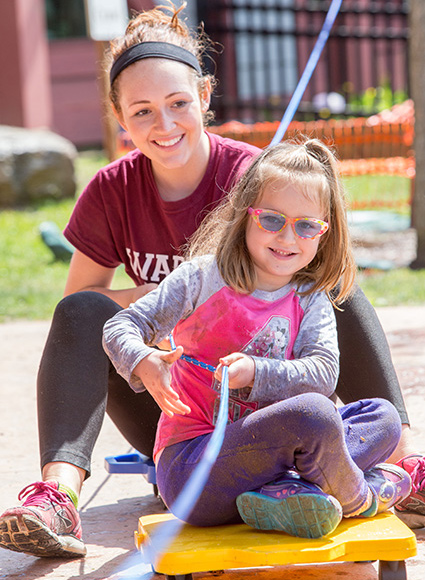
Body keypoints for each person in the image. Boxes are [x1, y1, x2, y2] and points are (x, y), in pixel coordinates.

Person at [0, 0, 423, 559]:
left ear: (204, 97)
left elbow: (315, 277)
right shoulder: (111, 189)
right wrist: (159, 301)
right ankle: (57, 495)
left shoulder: (255, 178)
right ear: (119, 116)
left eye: (177, 103)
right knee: (80, 312)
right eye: (143, 110)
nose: (165, 124)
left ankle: (405, 462)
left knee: (332, 284)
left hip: (270, 400)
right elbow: (80, 303)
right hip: (180, 406)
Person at [102, 139, 411, 538]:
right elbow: (119, 326)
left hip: (284, 459)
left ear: (323, 232)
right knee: (313, 416)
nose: (287, 238)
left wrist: (257, 372)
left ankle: (292, 493)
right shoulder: (202, 277)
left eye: (305, 226)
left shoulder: (311, 296)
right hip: (195, 469)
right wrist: (143, 360)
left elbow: (323, 372)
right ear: (246, 215)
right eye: (272, 220)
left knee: (382, 417)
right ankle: (358, 497)